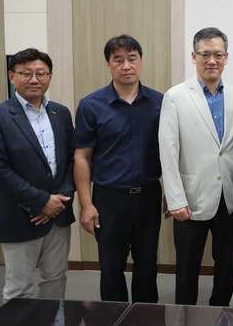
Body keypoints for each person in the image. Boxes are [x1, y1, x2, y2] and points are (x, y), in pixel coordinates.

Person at [159, 27, 233, 306]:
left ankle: (220, 311)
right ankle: (187, 315)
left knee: (226, 262)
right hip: (190, 197)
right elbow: (168, 151)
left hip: (229, 196)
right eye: (205, 54)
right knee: (188, 265)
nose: (212, 60)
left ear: (226, 58)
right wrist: (175, 198)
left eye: (218, 55)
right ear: (193, 56)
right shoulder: (175, 96)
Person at [0, 48, 75, 302]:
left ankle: (53, 319)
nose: (34, 79)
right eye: (26, 73)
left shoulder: (61, 113)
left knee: (55, 279)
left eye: (41, 73)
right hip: (19, 215)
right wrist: (41, 201)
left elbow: (71, 160)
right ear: (12, 77)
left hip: (58, 214)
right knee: (19, 289)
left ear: (50, 76)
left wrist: (60, 199)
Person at [74, 35, 163, 303]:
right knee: (111, 268)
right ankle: (113, 317)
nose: (126, 66)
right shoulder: (91, 105)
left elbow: (172, 153)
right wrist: (86, 205)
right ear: (108, 65)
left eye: (132, 58)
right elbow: (82, 157)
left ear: (141, 62)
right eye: (118, 60)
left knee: (147, 265)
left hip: (148, 196)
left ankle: (147, 317)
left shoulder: (161, 103)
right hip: (109, 198)